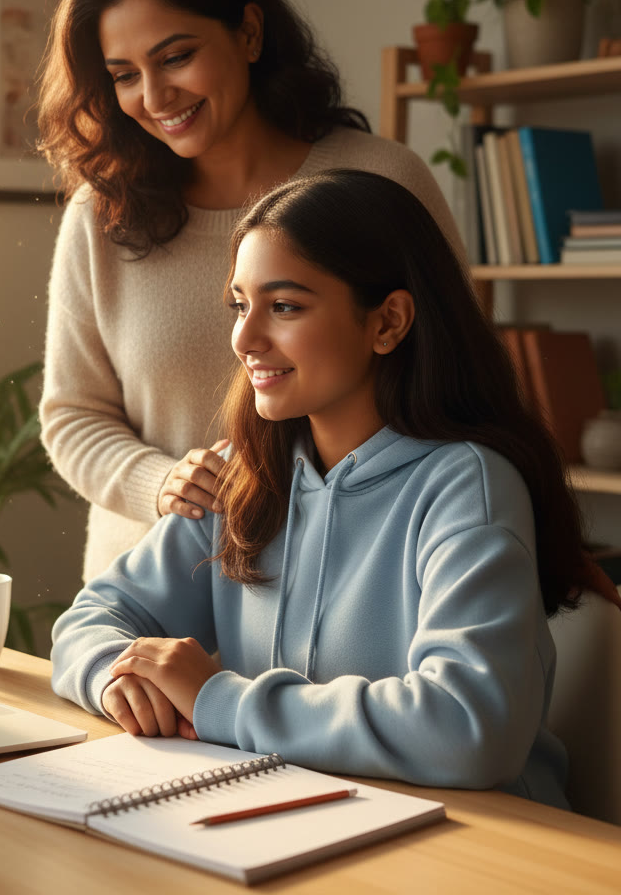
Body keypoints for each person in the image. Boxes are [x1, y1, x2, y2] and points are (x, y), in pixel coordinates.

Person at [50, 169, 609, 806]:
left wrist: (217, 701)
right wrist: (112, 677)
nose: (244, 338)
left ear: (388, 322)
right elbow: (90, 620)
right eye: (240, 304)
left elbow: (468, 727)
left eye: (284, 306)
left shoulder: (467, 486)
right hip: (291, 821)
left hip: (480, 843)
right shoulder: (241, 474)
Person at [37, 0, 466, 582]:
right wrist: (163, 483)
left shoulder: (380, 182)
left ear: (249, 32)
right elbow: (72, 417)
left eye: (177, 56)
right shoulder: (102, 216)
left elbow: (455, 381)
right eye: (124, 74)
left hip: (352, 586)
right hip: (148, 602)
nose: (154, 98)